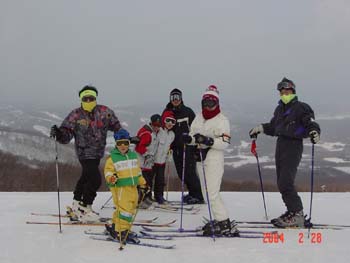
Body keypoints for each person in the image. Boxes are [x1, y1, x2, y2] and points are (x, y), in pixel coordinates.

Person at [249, 77, 321, 228]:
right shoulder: (279, 109)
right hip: (281, 144)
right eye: (281, 91)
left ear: (293, 91)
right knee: (281, 182)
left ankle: (297, 214)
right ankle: (291, 212)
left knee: (286, 182)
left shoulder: (301, 107)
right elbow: (274, 127)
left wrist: (314, 131)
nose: (284, 93)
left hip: (293, 145)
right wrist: (261, 128)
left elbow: (310, 123)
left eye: (287, 90)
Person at [50, 85, 121, 222]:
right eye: (85, 98)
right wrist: (59, 133)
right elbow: (66, 134)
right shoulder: (76, 115)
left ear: (95, 98)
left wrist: (126, 138)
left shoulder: (104, 112)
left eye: (91, 98)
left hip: (97, 152)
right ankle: (85, 207)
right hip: (84, 152)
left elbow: (117, 127)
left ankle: (77, 204)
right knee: (95, 179)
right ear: (81, 99)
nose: (89, 100)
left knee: (86, 177)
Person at [183, 85, 238, 236]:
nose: (208, 105)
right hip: (200, 157)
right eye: (205, 102)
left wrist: (209, 141)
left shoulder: (222, 120)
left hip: (214, 158)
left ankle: (224, 222)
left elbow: (225, 143)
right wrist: (189, 139)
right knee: (206, 193)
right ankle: (219, 219)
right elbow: (194, 134)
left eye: (211, 102)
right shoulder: (199, 117)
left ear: (217, 103)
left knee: (212, 193)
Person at [104, 129, 148, 243]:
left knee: (131, 207)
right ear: (116, 144)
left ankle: (115, 226)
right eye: (119, 143)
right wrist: (112, 177)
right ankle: (121, 231)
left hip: (132, 187)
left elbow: (137, 171)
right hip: (120, 188)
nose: (123, 146)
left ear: (129, 143)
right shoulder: (112, 158)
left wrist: (142, 183)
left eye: (126, 143)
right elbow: (108, 172)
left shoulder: (133, 156)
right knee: (125, 210)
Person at [164, 89, 204, 204]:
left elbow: (196, 128)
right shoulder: (168, 112)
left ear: (181, 98)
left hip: (188, 147)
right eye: (173, 97)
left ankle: (198, 195)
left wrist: (196, 146)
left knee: (189, 172)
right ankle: (192, 193)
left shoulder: (188, 112)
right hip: (175, 148)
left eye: (177, 97)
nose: (175, 100)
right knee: (181, 173)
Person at [134, 114, 161, 208]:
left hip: (147, 163)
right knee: (144, 181)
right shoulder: (147, 134)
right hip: (142, 163)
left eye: (159, 125)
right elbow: (139, 147)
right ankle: (141, 199)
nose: (157, 127)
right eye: (155, 125)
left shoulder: (151, 132)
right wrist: (147, 155)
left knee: (148, 180)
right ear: (152, 123)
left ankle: (147, 198)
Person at [153, 110, 176, 204]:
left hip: (162, 162)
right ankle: (145, 197)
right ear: (164, 121)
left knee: (160, 180)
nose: (170, 123)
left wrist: (169, 154)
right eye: (168, 120)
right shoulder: (159, 131)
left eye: (172, 121)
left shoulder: (172, 135)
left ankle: (159, 196)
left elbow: (169, 147)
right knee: (148, 180)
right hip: (152, 161)